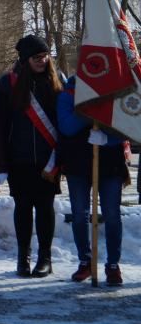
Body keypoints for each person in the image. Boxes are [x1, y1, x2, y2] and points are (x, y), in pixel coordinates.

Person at [0, 35, 63, 278]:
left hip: (48, 158)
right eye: (36, 57)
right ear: (24, 59)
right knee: (23, 207)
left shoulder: (57, 80)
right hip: (18, 157)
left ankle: (45, 259)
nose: (42, 61)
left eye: (45, 56)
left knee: (45, 207)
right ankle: (23, 258)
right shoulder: (7, 83)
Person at [58, 74, 128, 286]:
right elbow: (67, 126)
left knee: (112, 214)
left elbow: (126, 126)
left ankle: (113, 265)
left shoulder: (114, 92)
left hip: (110, 163)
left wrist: (108, 139)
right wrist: (88, 107)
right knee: (80, 215)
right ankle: (85, 261)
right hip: (78, 164)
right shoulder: (67, 95)